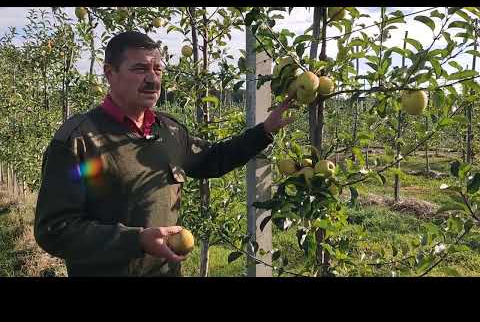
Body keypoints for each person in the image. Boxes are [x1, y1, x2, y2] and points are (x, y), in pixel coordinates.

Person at [34, 31, 295, 277]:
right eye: (140, 69)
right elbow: (55, 229)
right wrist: (136, 240)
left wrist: (264, 131)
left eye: (157, 69)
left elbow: (212, 159)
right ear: (109, 73)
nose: (153, 79)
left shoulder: (169, 130)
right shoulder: (80, 140)